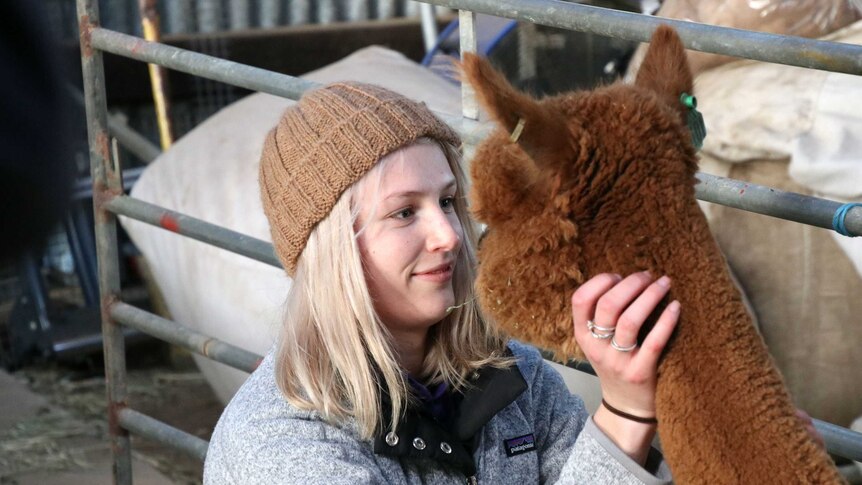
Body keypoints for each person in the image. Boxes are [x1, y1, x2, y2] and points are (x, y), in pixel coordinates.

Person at [202, 81, 678, 484]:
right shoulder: (283, 447)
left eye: (448, 201)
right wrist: (625, 416)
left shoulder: (513, 376)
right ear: (333, 253)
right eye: (405, 211)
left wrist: (626, 402)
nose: (449, 236)